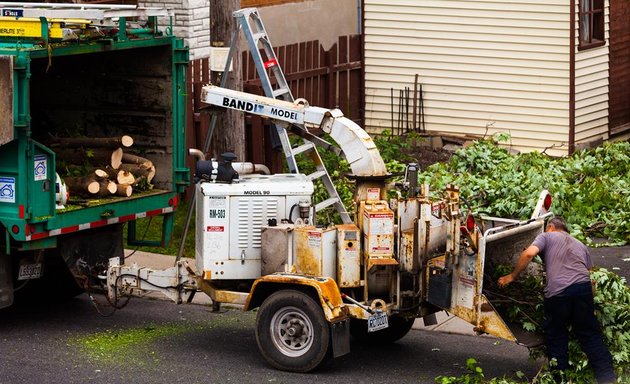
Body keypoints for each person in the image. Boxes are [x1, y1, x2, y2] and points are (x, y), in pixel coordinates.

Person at [498, 217, 616, 383]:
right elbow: (591, 278)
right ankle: (607, 379)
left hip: (559, 294)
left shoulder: (547, 236)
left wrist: (511, 276)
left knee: (557, 337)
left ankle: (559, 379)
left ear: (551, 227)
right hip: (583, 290)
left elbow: (529, 253)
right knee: (590, 336)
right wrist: (589, 305)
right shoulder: (580, 244)